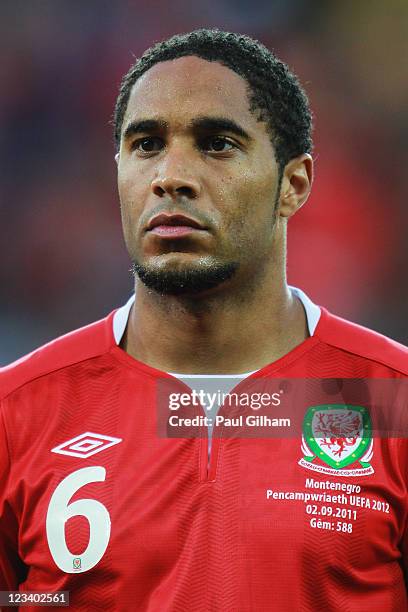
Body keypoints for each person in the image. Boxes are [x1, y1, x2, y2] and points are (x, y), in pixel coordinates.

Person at [0, 28, 407, 611]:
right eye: (146, 145)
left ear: (294, 185)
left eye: (216, 144)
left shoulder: (390, 400)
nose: (171, 176)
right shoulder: (16, 413)